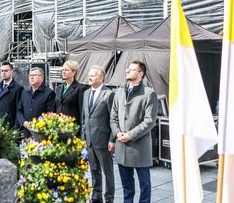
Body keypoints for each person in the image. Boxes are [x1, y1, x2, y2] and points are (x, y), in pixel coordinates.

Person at [110, 59, 158, 203]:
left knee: (145, 185)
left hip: (139, 148)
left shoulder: (149, 94)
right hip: (122, 147)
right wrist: (117, 133)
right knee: (127, 186)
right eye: (127, 69)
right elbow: (113, 116)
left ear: (140, 74)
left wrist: (130, 135)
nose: (127, 71)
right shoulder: (119, 91)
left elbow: (149, 121)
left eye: (131, 69)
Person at [82, 65, 115, 203]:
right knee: (94, 170)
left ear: (101, 78)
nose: (89, 77)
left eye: (93, 75)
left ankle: (109, 198)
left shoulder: (109, 94)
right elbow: (84, 117)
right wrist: (83, 138)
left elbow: (113, 118)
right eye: (89, 75)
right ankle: (96, 197)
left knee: (107, 172)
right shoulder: (86, 93)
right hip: (89, 140)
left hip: (103, 140)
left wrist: (112, 139)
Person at [16, 67, 56, 138]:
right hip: (26, 132)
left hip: (41, 133)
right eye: (30, 75)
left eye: (34, 75)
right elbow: (19, 111)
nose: (31, 77)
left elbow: (51, 114)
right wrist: (24, 122)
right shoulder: (24, 92)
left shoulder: (49, 93)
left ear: (41, 77)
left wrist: (37, 125)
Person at [55, 60, 85, 127]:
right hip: (58, 126)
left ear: (74, 72)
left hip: (72, 126)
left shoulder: (80, 88)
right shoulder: (58, 88)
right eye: (63, 70)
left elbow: (81, 110)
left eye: (66, 70)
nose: (64, 72)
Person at [0, 61, 23, 127]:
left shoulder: (18, 88)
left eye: (6, 71)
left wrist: (16, 129)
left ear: (12, 72)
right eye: (2, 71)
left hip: (10, 126)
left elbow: (19, 110)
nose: (3, 73)